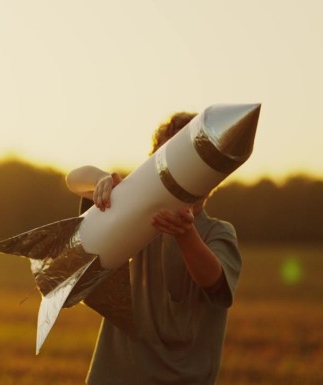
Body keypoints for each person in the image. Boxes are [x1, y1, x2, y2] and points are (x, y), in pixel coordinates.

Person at [65, 112, 242, 385]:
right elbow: (75, 179)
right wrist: (102, 178)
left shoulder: (218, 233)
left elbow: (214, 282)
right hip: (115, 376)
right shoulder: (133, 213)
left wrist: (186, 235)